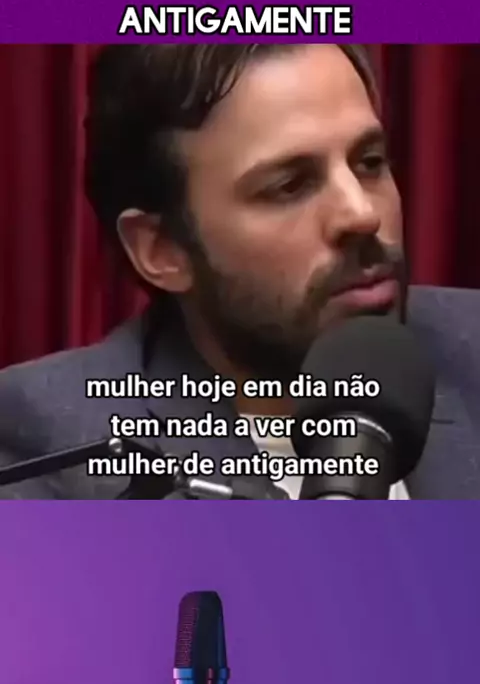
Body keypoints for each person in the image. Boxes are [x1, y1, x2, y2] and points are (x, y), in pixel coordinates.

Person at [0, 43, 478, 499]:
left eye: (369, 163)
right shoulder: (53, 451)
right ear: (162, 249)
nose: (361, 213)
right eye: (290, 186)